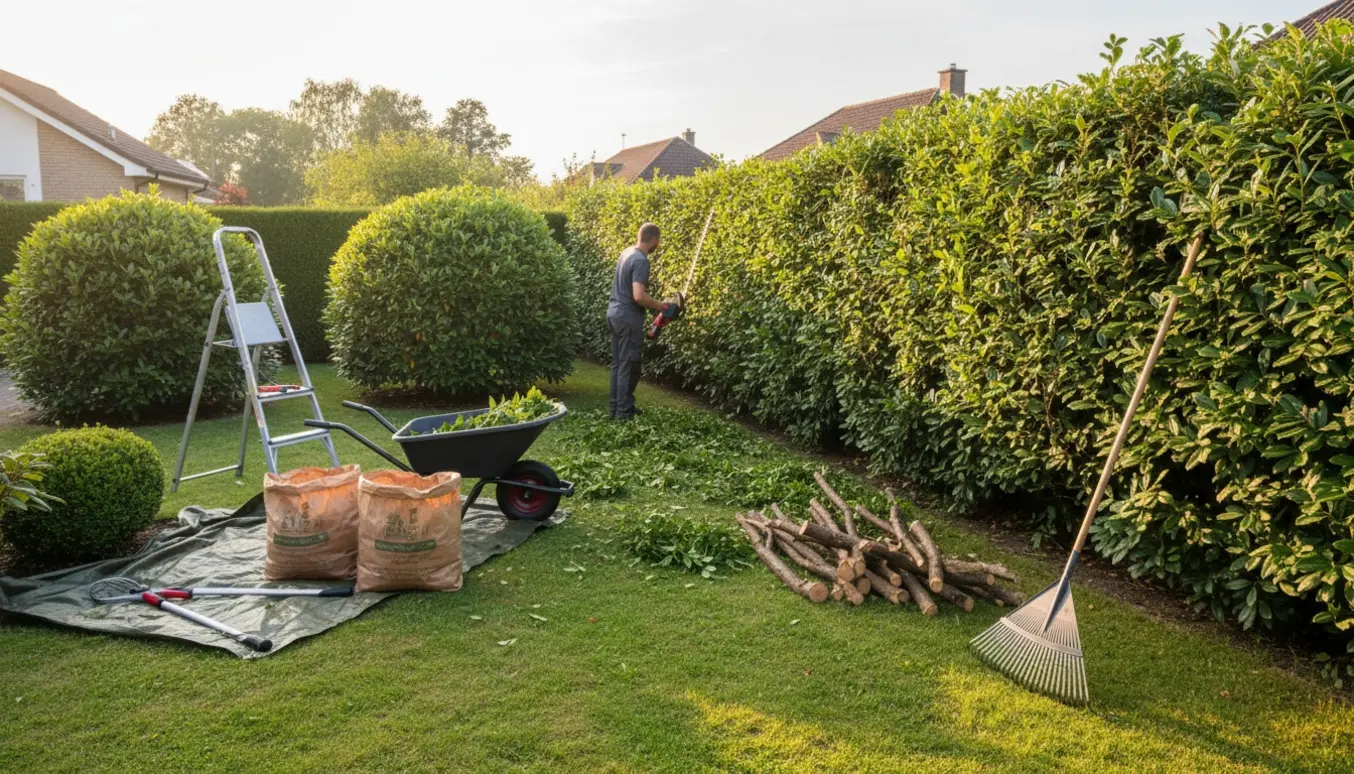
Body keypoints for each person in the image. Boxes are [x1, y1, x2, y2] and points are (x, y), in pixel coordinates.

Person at [607, 223, 676, 420]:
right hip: (628, 317)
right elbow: (639, 296)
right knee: (628, 366)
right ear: (654, 240)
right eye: (658, 241)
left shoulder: (626, 252)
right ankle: (623, 413)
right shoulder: (641, 261)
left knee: (618, 365)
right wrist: (662, 306)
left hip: (614, 313)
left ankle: (616, 408)